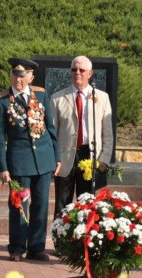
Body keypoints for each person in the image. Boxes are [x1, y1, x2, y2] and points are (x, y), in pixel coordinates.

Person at [0, 58, 61, 262]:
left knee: (41, 205)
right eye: (15, 74)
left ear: (31, 77)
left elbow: (50, 128)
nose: (18, 79)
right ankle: (17, 247)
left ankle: (37, 247)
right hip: (19, 163)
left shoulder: (40, 95)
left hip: (44, 160)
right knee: (19, 205)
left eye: (22, 76)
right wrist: (2, 166)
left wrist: (57, 156)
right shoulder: (2, 101)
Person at [50, 55, 114, 217]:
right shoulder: (57, 98)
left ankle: (83, 241)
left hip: (90, 157)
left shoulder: (102, 98)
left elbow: (107, 134)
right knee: (62, 205)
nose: (77, 72)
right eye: (74, 69)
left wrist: (104, 160)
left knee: (87, 207)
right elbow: (51, 134)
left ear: (90, 73)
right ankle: (61, 240)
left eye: (81, 70)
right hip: (65, 157)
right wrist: (54, 159)